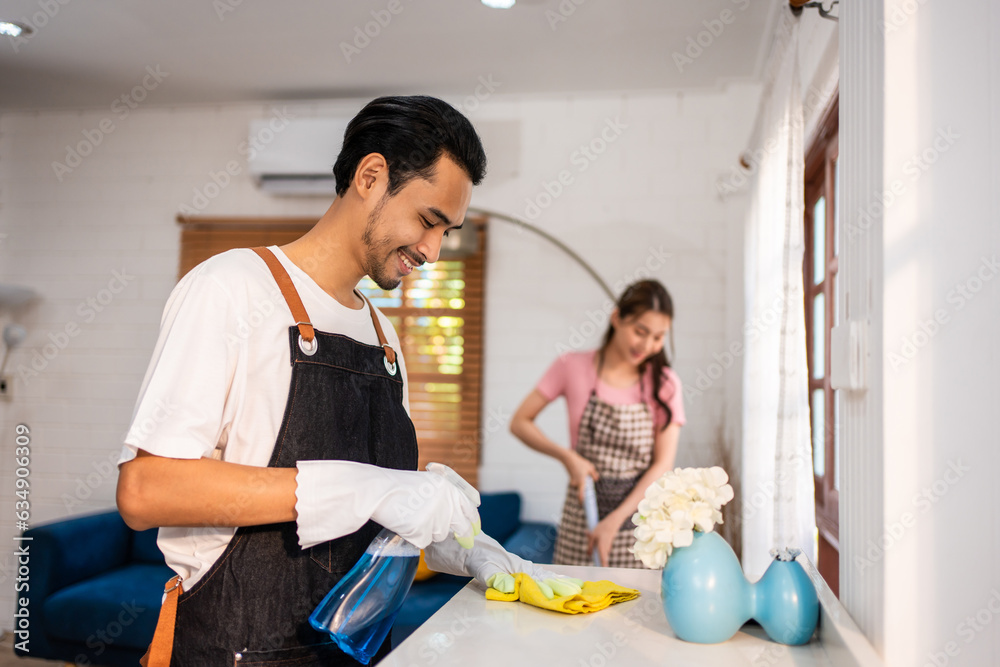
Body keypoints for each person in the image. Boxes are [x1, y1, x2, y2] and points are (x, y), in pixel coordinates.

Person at [116, 95, 551, 667]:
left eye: (448, 231)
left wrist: (455, 540)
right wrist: (366, 488)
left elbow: (374, 514)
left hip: (356, 650)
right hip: (237, 650)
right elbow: (146, 490)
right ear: (370, 177)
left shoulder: (382, 338)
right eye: (428, 221)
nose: (433, 251)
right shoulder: (232, 288)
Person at [510, 280, 686, 569]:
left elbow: (662, 466)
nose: (647, 345)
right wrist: (567, 457)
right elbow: (519, 422)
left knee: (632, 611)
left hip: (641, 525)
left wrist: (613, 523)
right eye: (640, 331)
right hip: (582, 520)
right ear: (617, 318)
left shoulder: (665, 384)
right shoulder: (571, 366)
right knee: (574, 606)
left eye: (658, 337)